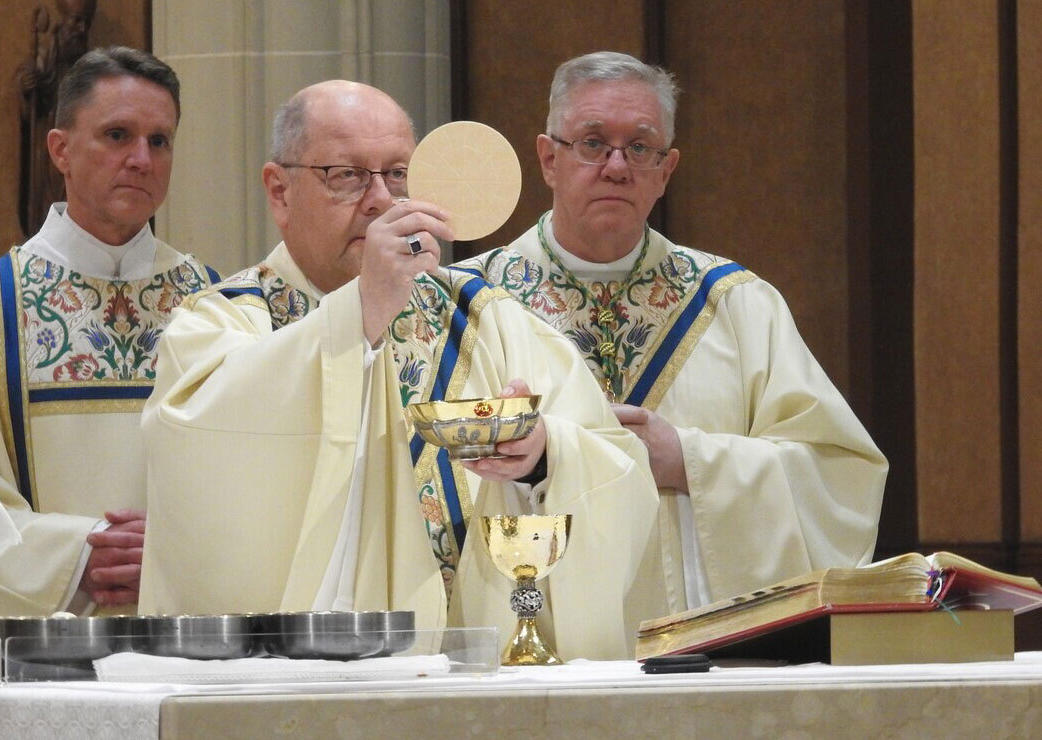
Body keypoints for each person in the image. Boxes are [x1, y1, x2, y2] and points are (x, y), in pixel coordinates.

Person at [139, 80, 659, 660]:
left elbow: (620, 465)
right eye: (348, 176)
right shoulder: (221, 322)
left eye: (398, 176)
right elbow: (195, 451)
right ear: (279, 191)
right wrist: (358, 313)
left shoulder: (486, 318)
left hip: (475, 680)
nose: (382, 201)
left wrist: (543, 456)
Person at [455, 51, 888, 635]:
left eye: (640, 147)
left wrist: (688, 460)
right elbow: (419, 484)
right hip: (528, 655)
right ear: (548, 158)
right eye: (591, 142)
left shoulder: (735, 305)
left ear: (667, 169)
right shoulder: (469, 304)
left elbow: (841, 479)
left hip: (695, 660)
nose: (616, 166)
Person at [0, 46, 219, 633]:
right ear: (59, 150)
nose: (141, 158)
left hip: (187, 644)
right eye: (117, 135)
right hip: (36, 661)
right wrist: (74, 557)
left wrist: (180, 547)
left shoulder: (216, 307)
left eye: (159, 141)